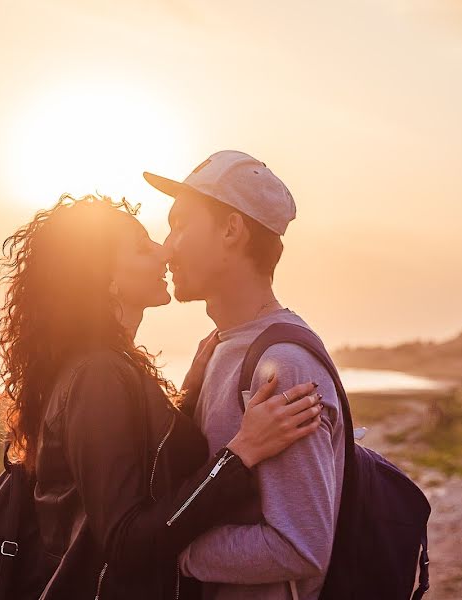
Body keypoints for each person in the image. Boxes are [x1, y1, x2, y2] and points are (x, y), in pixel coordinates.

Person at [0, 193, 327, 599]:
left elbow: (137, 464)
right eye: (144, 249)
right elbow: (127, 541)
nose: (165, 250)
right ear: (105, 276)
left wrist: (189, 394)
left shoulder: (106, 367)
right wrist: (239, 455)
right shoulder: (98, 375)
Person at [143, 150, 345, 600]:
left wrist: (168, 548)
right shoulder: (220, 345)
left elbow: (301, 547)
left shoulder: (285, 366)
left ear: (231, 229)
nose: (167, 245)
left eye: (181, 224)